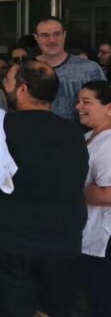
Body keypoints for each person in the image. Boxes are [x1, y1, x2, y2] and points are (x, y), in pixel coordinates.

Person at [0, 60, 89, 317]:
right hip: (60, 242)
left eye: (8, 81)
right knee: (55, 309)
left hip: (6, 243)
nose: (4, 86)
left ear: (23, 89)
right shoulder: (73, 133)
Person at [76, 81, 111, 316]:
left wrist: (71, 191)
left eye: (86, 102)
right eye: (78, 101)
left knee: (101, 302)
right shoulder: (89, 136)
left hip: (103, 238)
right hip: (87, 235)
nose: (78, 106)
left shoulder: (109, 143)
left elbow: (109, 193)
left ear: (109, 108)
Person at [33, 16, 107, 121]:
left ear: (64, 35)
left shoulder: (90, 69)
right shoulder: (23, 70)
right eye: (45, 35)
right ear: (36, 38)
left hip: (82, 131)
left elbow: (104, 108)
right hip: (35, 130)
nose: (52, 40)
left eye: (57, 34)